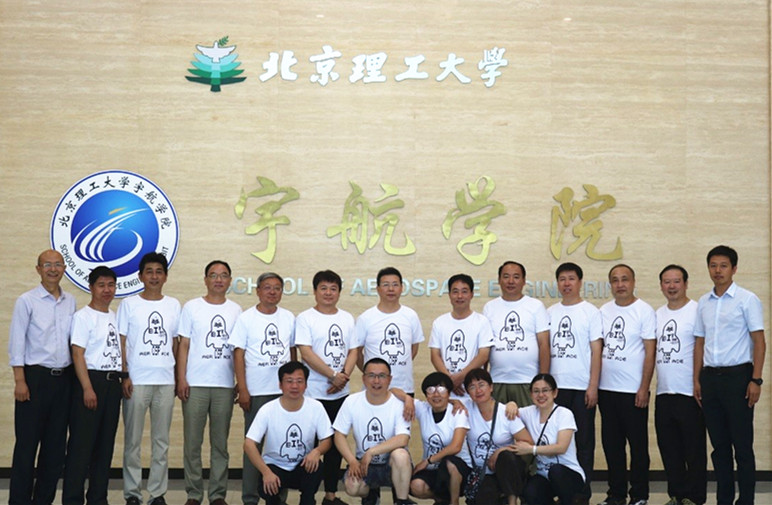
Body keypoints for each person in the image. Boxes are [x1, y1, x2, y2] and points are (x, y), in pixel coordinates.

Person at [694, 245, 766, 505]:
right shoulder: (703, 302)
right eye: (713, 265)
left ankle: (746, 500)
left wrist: (756, 379)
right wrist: (697, 380)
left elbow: (759, 341)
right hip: (710, 379)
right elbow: (699, 343)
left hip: (738, 378)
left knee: (742, 446)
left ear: (734, 269)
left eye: (723, 265)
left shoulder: (747, 299)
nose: (718, 270)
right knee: (719, 446)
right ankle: (724, 499)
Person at [8, 249, 76, 505]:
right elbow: (17, 341)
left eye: (58, 264)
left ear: (64, 269)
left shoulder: (70, 301)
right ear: (38, 269)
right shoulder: (26, 301)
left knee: (55, 449)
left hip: (64, 381)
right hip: (34, 380)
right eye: (47, 265)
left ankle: (43, 501)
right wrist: (20, 380)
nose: (53, 269)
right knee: (26, 447)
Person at [354, 267, 424, 505]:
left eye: (395, 284)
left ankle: (399, 497)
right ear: (377, 288)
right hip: (375, 390)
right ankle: (370, 494)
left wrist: (394, 377)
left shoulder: (410, 316)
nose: (391, 289)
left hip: (404, 390)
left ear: (402, 287)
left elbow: (412, 349)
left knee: (398, 444)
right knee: (373, 438)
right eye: (386, 284)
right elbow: (358, 352)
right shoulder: (366, 318)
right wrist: (374, 376)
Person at [176, 261, 243, 505]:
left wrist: (240, 381)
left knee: (220, 444)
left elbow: (239, 350)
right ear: (205, 279)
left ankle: (217, 495)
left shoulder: (236, 310)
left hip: (224, 385)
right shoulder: (192, 307)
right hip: (194, 384)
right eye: (213, 275)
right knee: (192, 444)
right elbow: (183, 345)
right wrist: (181, 378)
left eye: (223, 275)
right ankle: (194, 494)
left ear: (230, 280)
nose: (218, 280)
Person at [119, 252, 181, 505]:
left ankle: (157, 493)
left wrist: (176, 376)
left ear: (165, 276)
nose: (154, 276)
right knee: (132, 441)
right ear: (140, 276)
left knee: (161, 441)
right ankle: (132, 493)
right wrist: (125, 374)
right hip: (136, 381)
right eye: (149, 271)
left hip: (165, 381)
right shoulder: (129, 304)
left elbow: (176, 343)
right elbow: (121, 341)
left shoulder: (174, 305)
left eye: (159, 271)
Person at [230, 272, 296, 505]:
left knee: (280, 446)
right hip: (256, 391)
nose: (272, 292)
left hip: (283, 393)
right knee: (253, 445)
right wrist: (243, 389)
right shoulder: (246, 318)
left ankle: (277, 496)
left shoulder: (288, 317)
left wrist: (294, 386)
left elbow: (292, 353)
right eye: (267, 287)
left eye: (277, 288)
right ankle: (250, 497)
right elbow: (238, 354)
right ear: (258, 291)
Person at [295, 270, 359, 505]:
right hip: (313, 394)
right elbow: (306, 353)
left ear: (339, 292)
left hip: (340, 394)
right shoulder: (305, 318)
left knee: (335, 446)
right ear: (315, 291)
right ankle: (308, 496)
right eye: (323, 288)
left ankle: (331, 495)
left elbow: (353, 351)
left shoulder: (347, 318)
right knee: (311, 446)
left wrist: (343, 377)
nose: (328, 293)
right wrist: (333, 376)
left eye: (333, 288)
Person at [62, 266, 123, 505]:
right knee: (81, 447)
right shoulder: (82, 317)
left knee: (105, 447)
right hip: (90, 382)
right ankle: (72, 499)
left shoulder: (115, 316)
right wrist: (87, 388)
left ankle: (98, 498)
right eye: (101, 285)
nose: (107, 290)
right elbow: (78, 354)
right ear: (91, 288)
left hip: (113, 384)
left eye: (111, 285)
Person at [597, 264, 655, 505]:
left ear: (633, 282)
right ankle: (616, 494)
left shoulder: (644, 311)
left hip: (633, 392)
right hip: (606, 390)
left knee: (638, 448)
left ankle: (639, 495)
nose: (620, 284)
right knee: (612, 447)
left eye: (625, 279)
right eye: (615, 280)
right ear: (610, 284)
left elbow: (650, 353)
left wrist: (644, 387)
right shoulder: (603, 311)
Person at [547, 262, 602, 505]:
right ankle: (559, 491)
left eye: (571, 278)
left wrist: (593, 386)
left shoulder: (591, 312)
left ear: (580, 282)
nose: (566, 283)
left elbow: (596, 351)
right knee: (555, 442)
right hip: (555, 390)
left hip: (582, 388)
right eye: (562, 279)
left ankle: (582, 493)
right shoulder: (549, 312)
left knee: (584, 442)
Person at [244, 361, 333, 505]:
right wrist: (266, 472)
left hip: (303, 465)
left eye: (299, 381)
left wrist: (317, 451)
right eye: (289, 381)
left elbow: (327, 439)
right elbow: (249, 444)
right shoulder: (268, 409)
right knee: (267, 487)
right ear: (280, 385)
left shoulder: (316, 407)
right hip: (275, 466)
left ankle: (307, 501)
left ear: (306, 385)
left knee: (317, 467)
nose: (294, 386)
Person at [654, 265, 706, 505]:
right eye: (667, 282)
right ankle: (677, 495)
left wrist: (698, 381)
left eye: (676, 281)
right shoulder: (658, 314)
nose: (672, 286)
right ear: (661, 286)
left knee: (693, 450)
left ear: (686, 284)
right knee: (669, 449)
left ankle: (695, 498)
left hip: (689, 392)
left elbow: (701, 348)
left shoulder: (697, 311)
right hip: (664, 391)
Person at [333, 358, 416, 505]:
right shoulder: (352, 401)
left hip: (391, 464)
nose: (376, 381)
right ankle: (370, 495)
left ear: (389, 379)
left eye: (382, 376)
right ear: (363, 378)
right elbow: (339, 435)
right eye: (371, 375)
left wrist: (371, 452)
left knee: (401, 455)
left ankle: (402, 501)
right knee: (352, 486)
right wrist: (352, 461)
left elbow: (403, 438)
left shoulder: (399, 404)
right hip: (364, 464)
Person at [393, 372, 472, 505]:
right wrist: (408, 399)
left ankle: (454, 502)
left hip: (458, 468)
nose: (436, 394)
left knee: (449, 463)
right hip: (433, 468)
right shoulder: (423, 408)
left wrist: (427, 461)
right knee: (416, 486)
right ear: (426, 395)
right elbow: (392, 390)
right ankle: (441, 500)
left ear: (449, 392)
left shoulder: (458, 412)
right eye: (430, 390)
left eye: (441, 389)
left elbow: (456, 447)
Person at [483, 261, 550, 406]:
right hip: (497, 380)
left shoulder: (536, 306)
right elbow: (484, 346)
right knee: (497, 420)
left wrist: (543, 380)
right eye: (506, 276)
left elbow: (544, 344)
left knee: (528, 420)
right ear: (499, 280)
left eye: (516, 277)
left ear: (524, 281)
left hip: (528, 380)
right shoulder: (490, 307)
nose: (511, 281)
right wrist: (482, 380)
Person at [463, 368, 532, 505]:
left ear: (491, 387)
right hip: (482, 472)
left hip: (506, 468)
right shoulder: (466, 408)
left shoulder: (506, 412)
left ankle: (512, 500)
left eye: (481, 385)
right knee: (484, 498)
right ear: (468, 393)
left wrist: (501, 450)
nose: (478, 390)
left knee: (506, 456)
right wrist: (455, 403)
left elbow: (528, 442)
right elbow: (444, 401)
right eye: (472, 387)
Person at [517, 373, 586, 505]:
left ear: (555, 393)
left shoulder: (564, 414)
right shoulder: (528, 412)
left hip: (568, 474)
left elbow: (561, 447)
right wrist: (511, 405)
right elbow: (505, 411)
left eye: (545, 390)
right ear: (531, 394)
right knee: (531, 491)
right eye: (536, 391)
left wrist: (531, 449)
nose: (541, 395)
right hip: (544, 474)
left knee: (556, 471)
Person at [429, 274, 494, 398]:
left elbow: (483, 355)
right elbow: (435, 355)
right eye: (455, 292)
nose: (460, 296)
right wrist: (450, 381)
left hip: (474, 390)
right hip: (447, 390)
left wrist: (461, 377)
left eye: (464, 291)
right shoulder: (439, 322)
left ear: (471, 294)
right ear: (449, 294)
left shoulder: (482, 321)